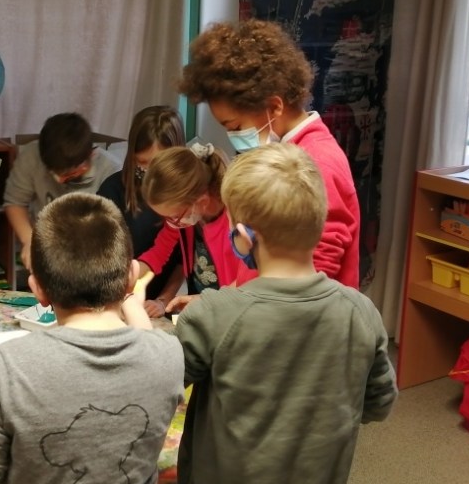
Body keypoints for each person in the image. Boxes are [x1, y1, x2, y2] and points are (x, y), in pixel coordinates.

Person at [174, 143, 396, 484]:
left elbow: (161, 385)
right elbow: (378, 404)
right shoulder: (361, 313)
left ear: (243, 237)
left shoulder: (215, 314)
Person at [0, 192, 184, 484]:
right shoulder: (168, 355)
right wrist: (132, 296)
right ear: (131, 277)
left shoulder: (10, 366)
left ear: (37, 288)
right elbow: (144, 340)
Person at [179, 19, 361, 288]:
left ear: (274, 107)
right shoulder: (285, 152)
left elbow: (311, 276)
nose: (232, 137)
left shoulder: (316, 163)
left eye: (235, 127)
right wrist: (225, 297)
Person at [97, 105, 186, 317]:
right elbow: (160, 251)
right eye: (143, 163)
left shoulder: (187, 202)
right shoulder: (112, 190)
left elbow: (182, 261)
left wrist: (163, 301)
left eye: (158, 163)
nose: (151, 172)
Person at [138, 143, 249, 313]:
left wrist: (209, 301)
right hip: (202, 306)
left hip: (232, 310)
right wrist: (131, 273)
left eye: (174, 216)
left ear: (201, 201)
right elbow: (160, 250)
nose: (171, 223)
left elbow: (249, 282)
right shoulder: (190, 214)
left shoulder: (238, 222)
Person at [3, 112, 118, 270]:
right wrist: (29, 241)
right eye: (54, 173)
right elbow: (15, 202)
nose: (60, 180)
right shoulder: (32, 155)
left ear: (91, 155)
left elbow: (112, 229)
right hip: (46, 248)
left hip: (91, 256)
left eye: (69, 174)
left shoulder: (111, 171)